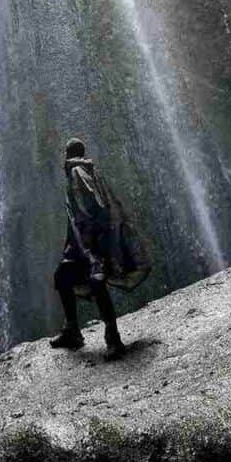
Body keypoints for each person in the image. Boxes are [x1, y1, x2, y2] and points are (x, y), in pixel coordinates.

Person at [50, 138, 151, 361]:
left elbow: (94, 207)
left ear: (68, 154)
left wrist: (93, 243)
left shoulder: (77, 171)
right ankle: (72, 330)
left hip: (92, 244)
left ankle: (113, 339)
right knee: (63, 276)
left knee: (97, 283)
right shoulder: (90, 170)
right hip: (83, 244)